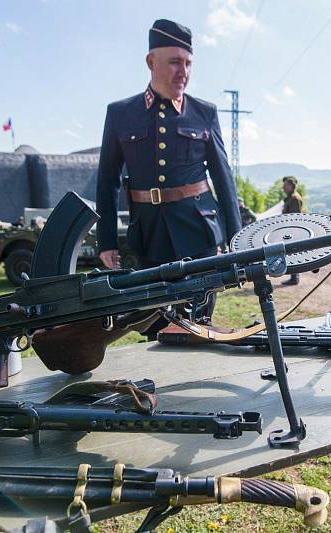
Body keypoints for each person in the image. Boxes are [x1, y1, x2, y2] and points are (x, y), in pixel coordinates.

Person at [96, 19, 241, 327]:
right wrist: (106, 241)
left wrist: (236, 236)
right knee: (155, 324)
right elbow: (107, 180)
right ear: (151, 61)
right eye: (175, 62)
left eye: (188, 63)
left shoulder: (204, 112)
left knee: (198, 325)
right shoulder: (120, 113)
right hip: (148, 236)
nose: (183, 72)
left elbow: (222, 177)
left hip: (199, 233)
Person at [281, 175, 304, 286]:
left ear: (291, 186)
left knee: (293, 253)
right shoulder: (291, 198)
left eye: (285, 185)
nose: (283, 188)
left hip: (292, 230)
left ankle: (294, 278)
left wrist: (291, 230)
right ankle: (293, 277)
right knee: (290, 253)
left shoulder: (294, 198)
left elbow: (295, 217)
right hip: (289, 229)